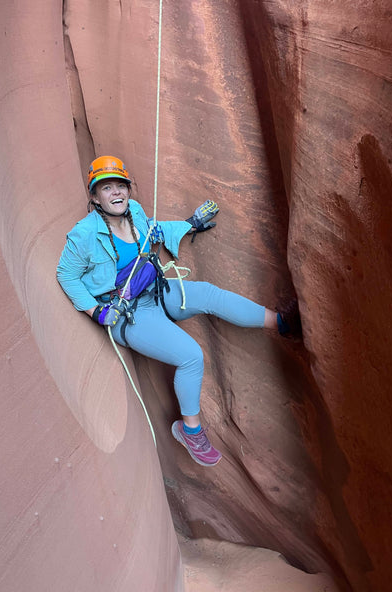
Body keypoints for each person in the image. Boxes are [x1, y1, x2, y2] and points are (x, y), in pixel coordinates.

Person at [57, 156, 301, 467]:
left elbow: (153, 232)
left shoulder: (135, 211)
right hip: (126, 313)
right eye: (107, 188)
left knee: (207, 293)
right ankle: (190, 431)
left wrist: (190, 223)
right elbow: (66, 275)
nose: (116, 193)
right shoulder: (85, 234)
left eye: (121, 186)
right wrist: (96, 313)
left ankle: (282, 323)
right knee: (191, 355)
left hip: (153, 289)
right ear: (94, 196)